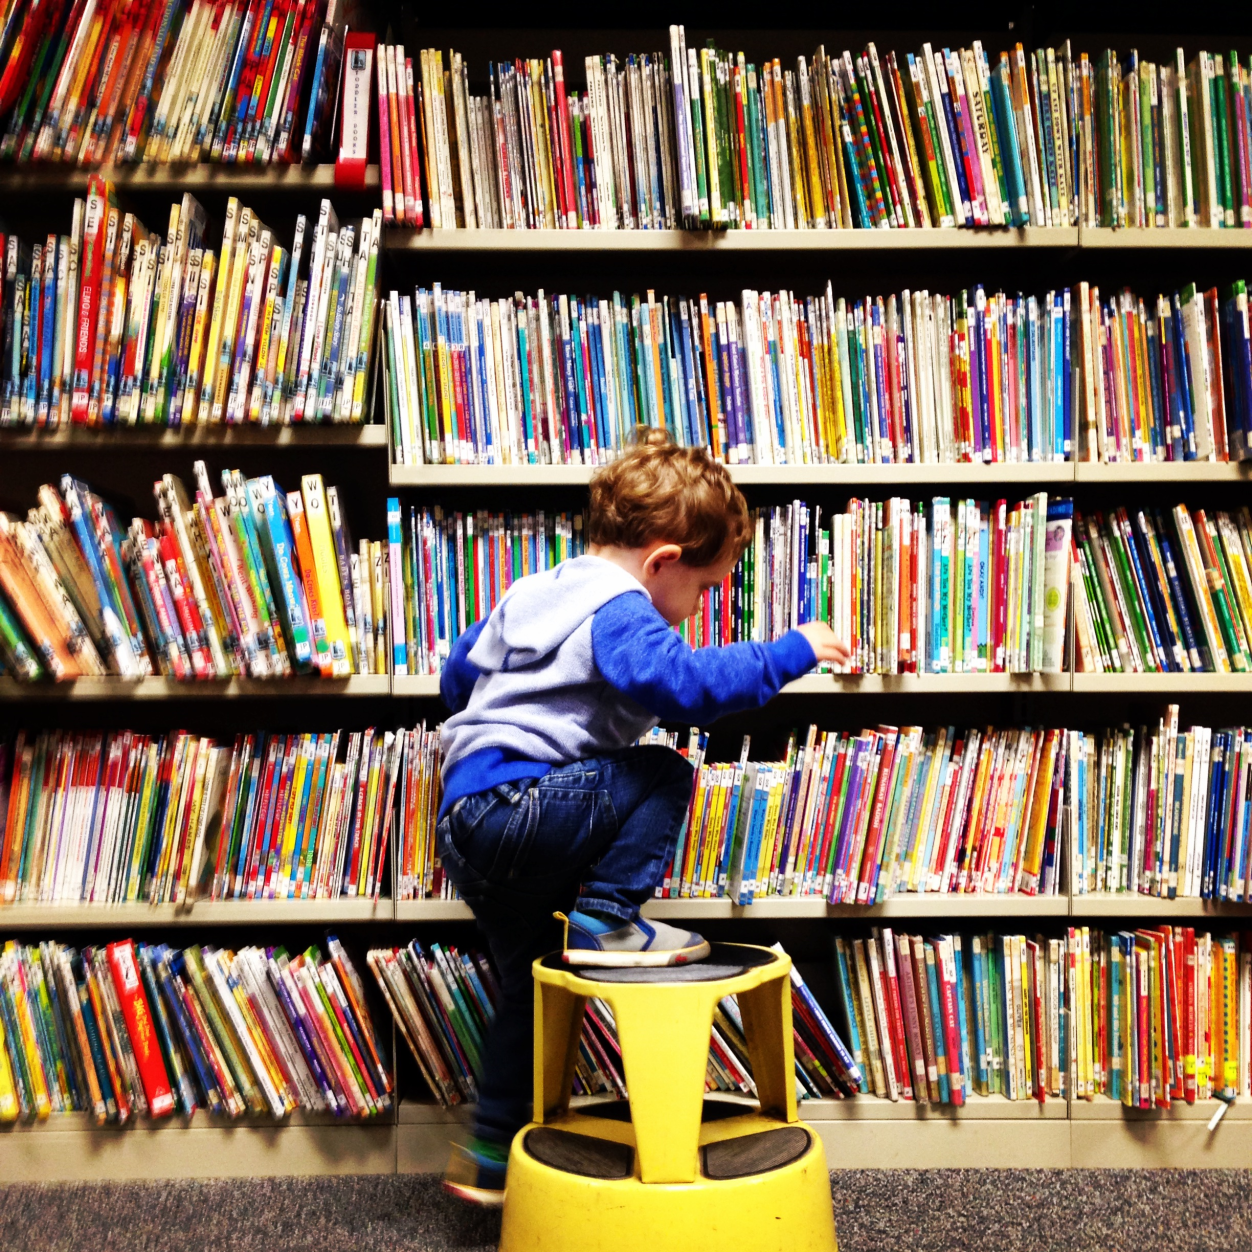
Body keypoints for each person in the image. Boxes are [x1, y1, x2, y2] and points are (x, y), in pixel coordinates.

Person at [436, 432, 849, 1205]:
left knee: (529, 981)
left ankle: (490, 1151)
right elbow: (685, 687)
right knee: (663, 769)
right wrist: (791, 651)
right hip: (523, 806)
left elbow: (457, 674)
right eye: (702, 589)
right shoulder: (620, 608)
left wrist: (497, 737)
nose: (698, 608)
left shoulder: (534, 591)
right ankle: (604, 916)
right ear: (661, 561)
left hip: (467, 817)